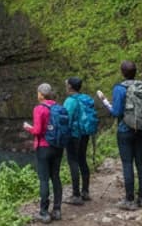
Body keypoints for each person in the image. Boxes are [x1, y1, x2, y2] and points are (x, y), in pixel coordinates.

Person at [97, 61, 142, 210]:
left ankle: (130, 200)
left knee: (127, 164)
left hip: (125, 130)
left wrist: (105, 101)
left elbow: (116, 112)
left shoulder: (120, 89)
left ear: (122, 73)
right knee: (141, 162)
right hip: (141, 129)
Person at [23, 83, 63, 222]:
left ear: (41, 94)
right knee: (56, 177)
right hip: (58, 147)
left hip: (44, 147)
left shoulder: (39, 109)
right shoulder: (59, 107)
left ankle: (44, 213)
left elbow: (38, 131)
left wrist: (28, 127)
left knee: (44, 179)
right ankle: (57, 210)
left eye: (37, 92)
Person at [63, 77, 93, 205]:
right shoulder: (85, 98)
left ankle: (76, 195)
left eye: (66, 84)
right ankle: (85, 191)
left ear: (70, 86)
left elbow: (65, 119)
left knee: (73, 161)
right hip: (85, 133)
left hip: (74, 135)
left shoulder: (70, 101)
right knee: (82, 159)